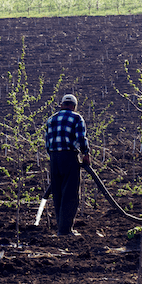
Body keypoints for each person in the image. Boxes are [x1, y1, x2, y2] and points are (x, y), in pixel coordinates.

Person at [44, 94, 91, 236]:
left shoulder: (51, 119)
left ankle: (61, 227)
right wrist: (85, 154)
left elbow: (47, 142)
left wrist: (54, 157)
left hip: (54, 158)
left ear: (61, 104)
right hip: (69, 157)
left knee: (57, 193)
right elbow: (80, 138)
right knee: (70, 193)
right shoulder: (76, 118)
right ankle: (65, 230)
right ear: (74, 106)